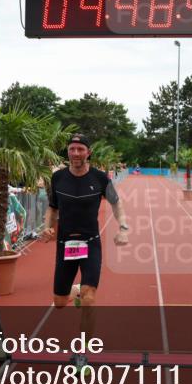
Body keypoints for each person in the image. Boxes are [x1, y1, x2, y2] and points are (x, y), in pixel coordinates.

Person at [41, 134, 129, 369]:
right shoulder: (58, 177)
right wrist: (48, 227)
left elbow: (116, 203)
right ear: (68, 152)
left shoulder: (100, 178)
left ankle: (81, 351)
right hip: (65, 245)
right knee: (59, 302)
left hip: (90, 243)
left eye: (81, 149)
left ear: (88, 152)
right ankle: (76, 290)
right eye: (72, 148)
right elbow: (52, 207)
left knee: (91, 298)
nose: (76, 153)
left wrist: (123, 228)